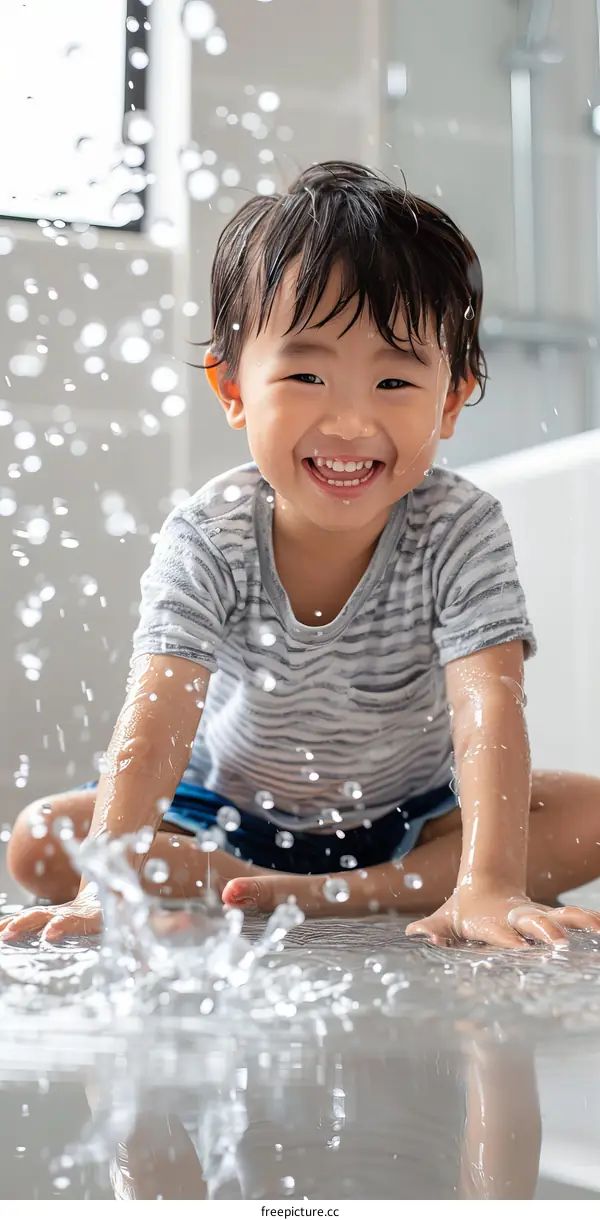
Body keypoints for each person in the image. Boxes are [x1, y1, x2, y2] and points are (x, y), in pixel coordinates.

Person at [3, 161, 600, 951]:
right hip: (222, 820)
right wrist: (100, 887)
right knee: (43, 840)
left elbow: (488, 704)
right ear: (233, 386)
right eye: (307, 373)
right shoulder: (210, 533)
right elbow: (157, 717)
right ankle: (298, 888)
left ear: (450, 400)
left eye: (394, 380)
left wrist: (489, 883)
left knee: (593, 816)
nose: (351, 422)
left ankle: (341, 893)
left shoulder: (461, 526)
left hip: (406, 820)